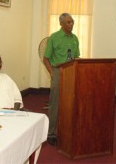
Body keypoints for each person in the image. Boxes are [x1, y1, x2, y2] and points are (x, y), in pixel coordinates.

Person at [43, 13, 80, 146]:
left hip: (72, 72)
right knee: (55, 103)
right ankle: (51, 133)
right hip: (58, 71)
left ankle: (67, 130)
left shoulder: (75, 38)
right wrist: (53, 73)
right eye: (68, 22)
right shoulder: (54, 37)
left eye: (72, 22)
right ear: (61, 24)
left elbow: (76, 57)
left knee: (71, 102)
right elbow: (45, 58)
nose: (71, 24)